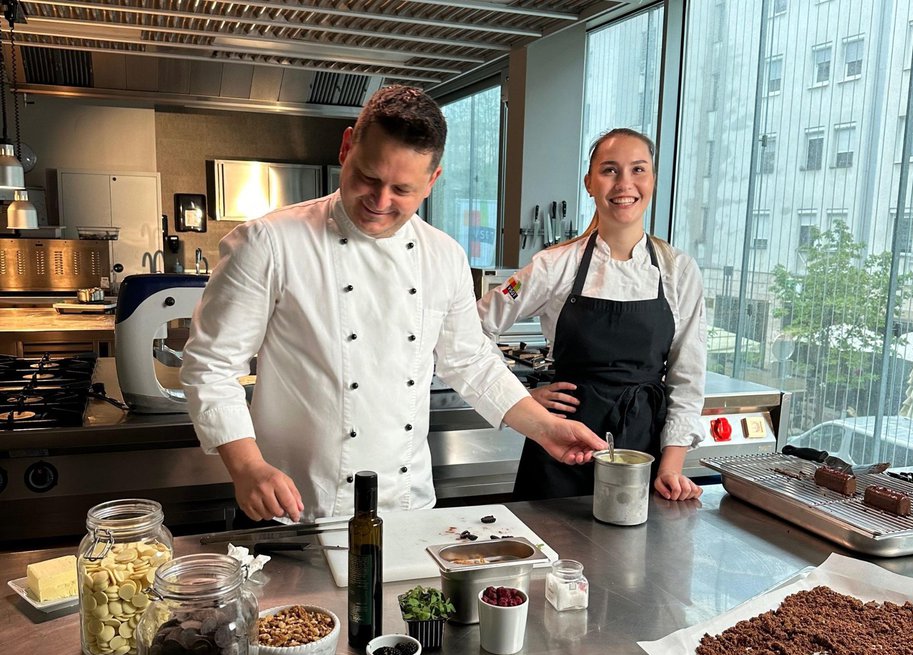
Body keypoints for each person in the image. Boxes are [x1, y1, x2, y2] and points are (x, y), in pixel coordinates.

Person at [180, 85, 605, 523]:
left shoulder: (443, 255)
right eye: (368, 177)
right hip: (296, 508)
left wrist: (545, 428)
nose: (380, 202)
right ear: (347, 148)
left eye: (402, 189)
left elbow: (471, 362)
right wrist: (247, 466)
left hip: (405, 509)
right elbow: (210, 366)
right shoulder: (269, 242)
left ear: (432, 181)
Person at [478, 128, 705, 502]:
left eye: (638, 170)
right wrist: (520, 396)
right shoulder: (554, 265)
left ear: (653, 179)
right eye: (610, 170)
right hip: (559, 449)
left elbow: (687, 376)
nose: (624, 184)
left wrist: (670, 467)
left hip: (641, 454)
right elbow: (473, 328)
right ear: (589, 182)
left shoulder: (678, 270)